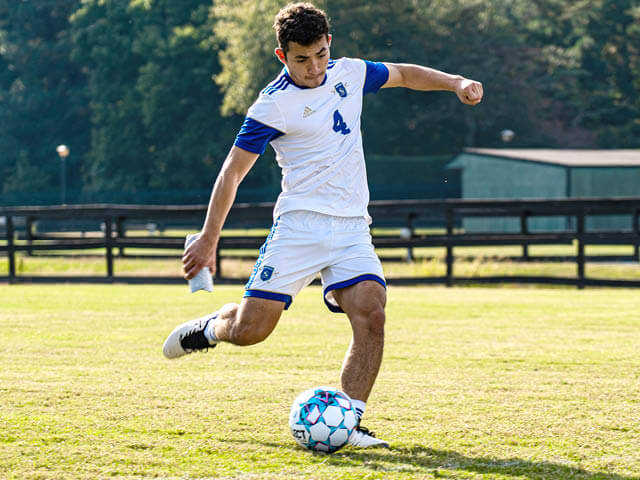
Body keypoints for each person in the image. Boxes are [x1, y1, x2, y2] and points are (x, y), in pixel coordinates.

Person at [163, 2, 483, 448]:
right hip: (298, 228)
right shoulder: (271, 106)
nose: (313, 68)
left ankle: (349, 422)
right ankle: (215, 327)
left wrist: (456, 83)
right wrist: (208, 238)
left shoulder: (350, 73)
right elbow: (232, 172)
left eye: (319, 55)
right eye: (301, 59)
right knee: (251, 331)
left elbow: (405, 75)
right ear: (282, 56)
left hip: (352, 227)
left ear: (328, 43)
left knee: (372, 314)